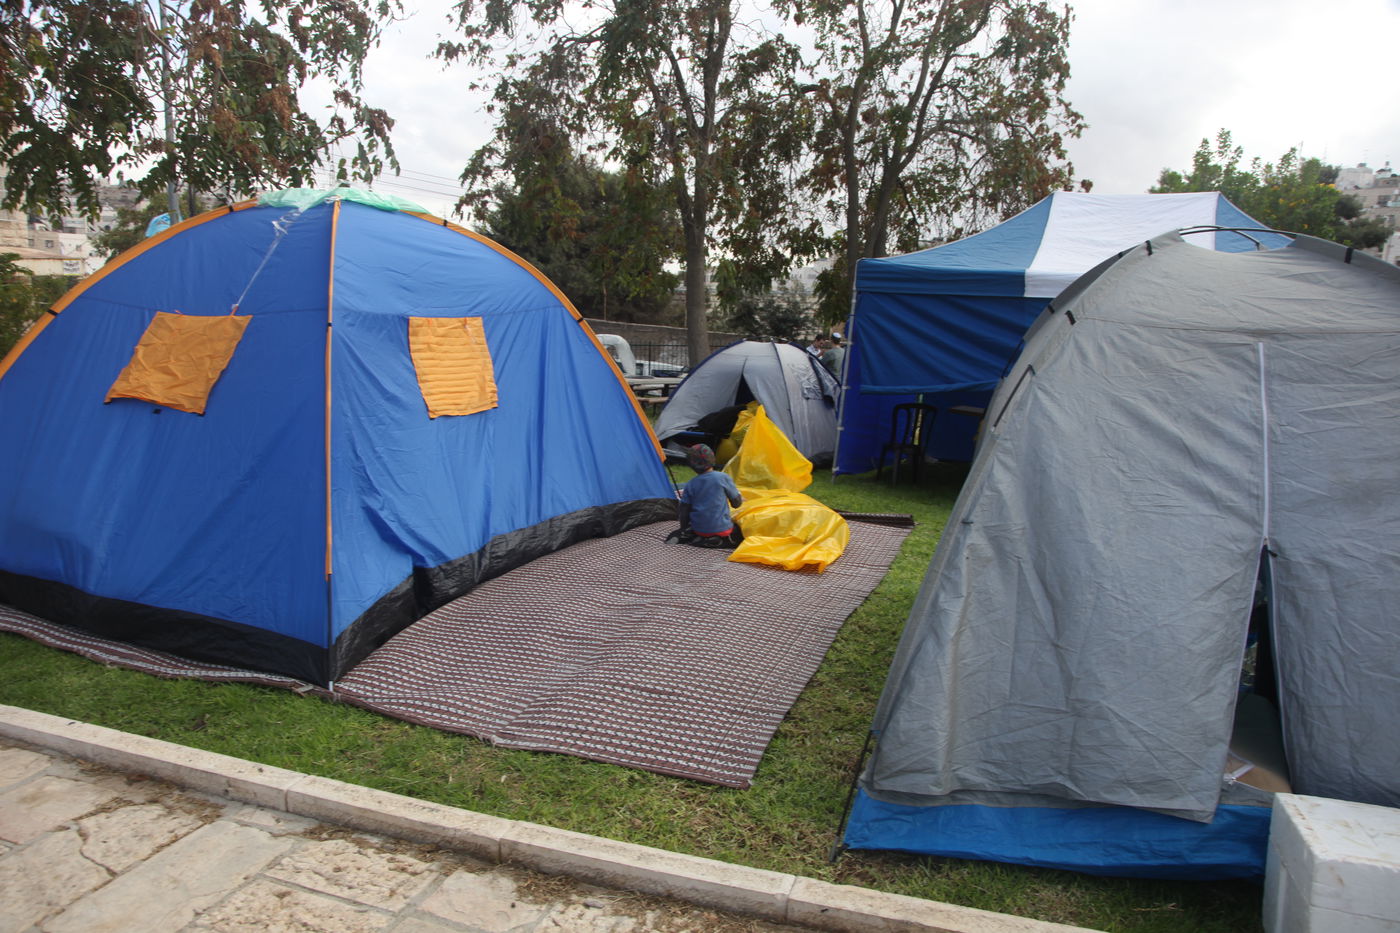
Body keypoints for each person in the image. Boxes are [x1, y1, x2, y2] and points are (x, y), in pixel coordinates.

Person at [670, 444, 743, 549]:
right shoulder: (722, 478)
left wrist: (683, 528)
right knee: (739, 529)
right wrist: (739, 496)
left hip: (699, 529)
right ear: (713, 458)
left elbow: (684, 510)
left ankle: (693, 536)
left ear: (691, 465)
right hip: (722, 528)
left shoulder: (691, 484)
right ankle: (719, 539)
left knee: (693, 527)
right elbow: (736, 504)